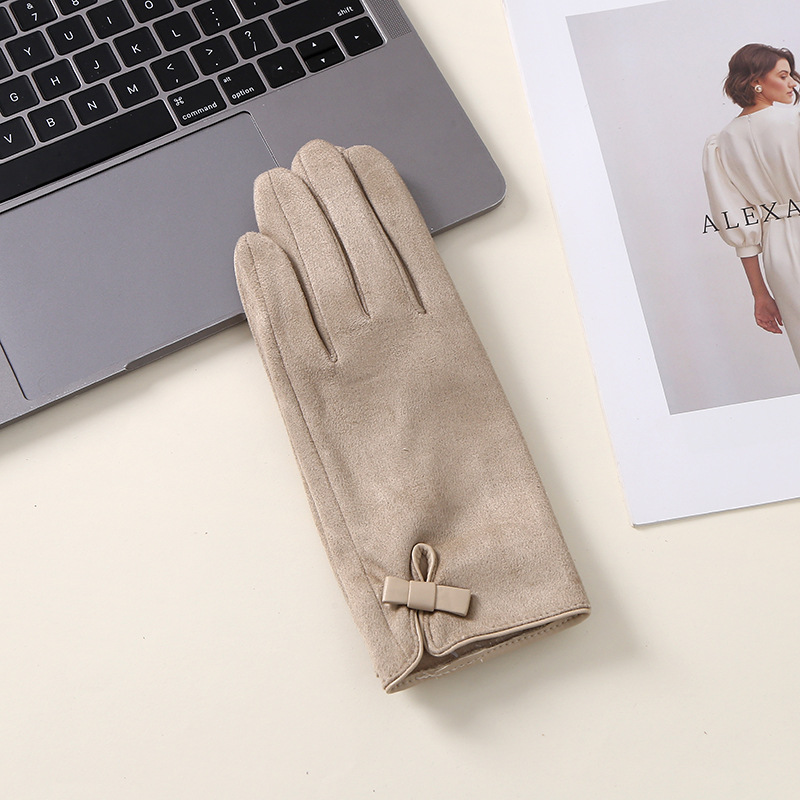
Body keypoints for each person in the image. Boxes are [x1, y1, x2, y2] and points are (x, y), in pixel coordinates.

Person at [703, 43, 800, 365]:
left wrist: (760, 294)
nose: (792, 83)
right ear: (756, 81)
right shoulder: (795, 122)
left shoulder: (722, 143)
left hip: (779, 257)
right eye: (783, 75)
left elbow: (739, 223)